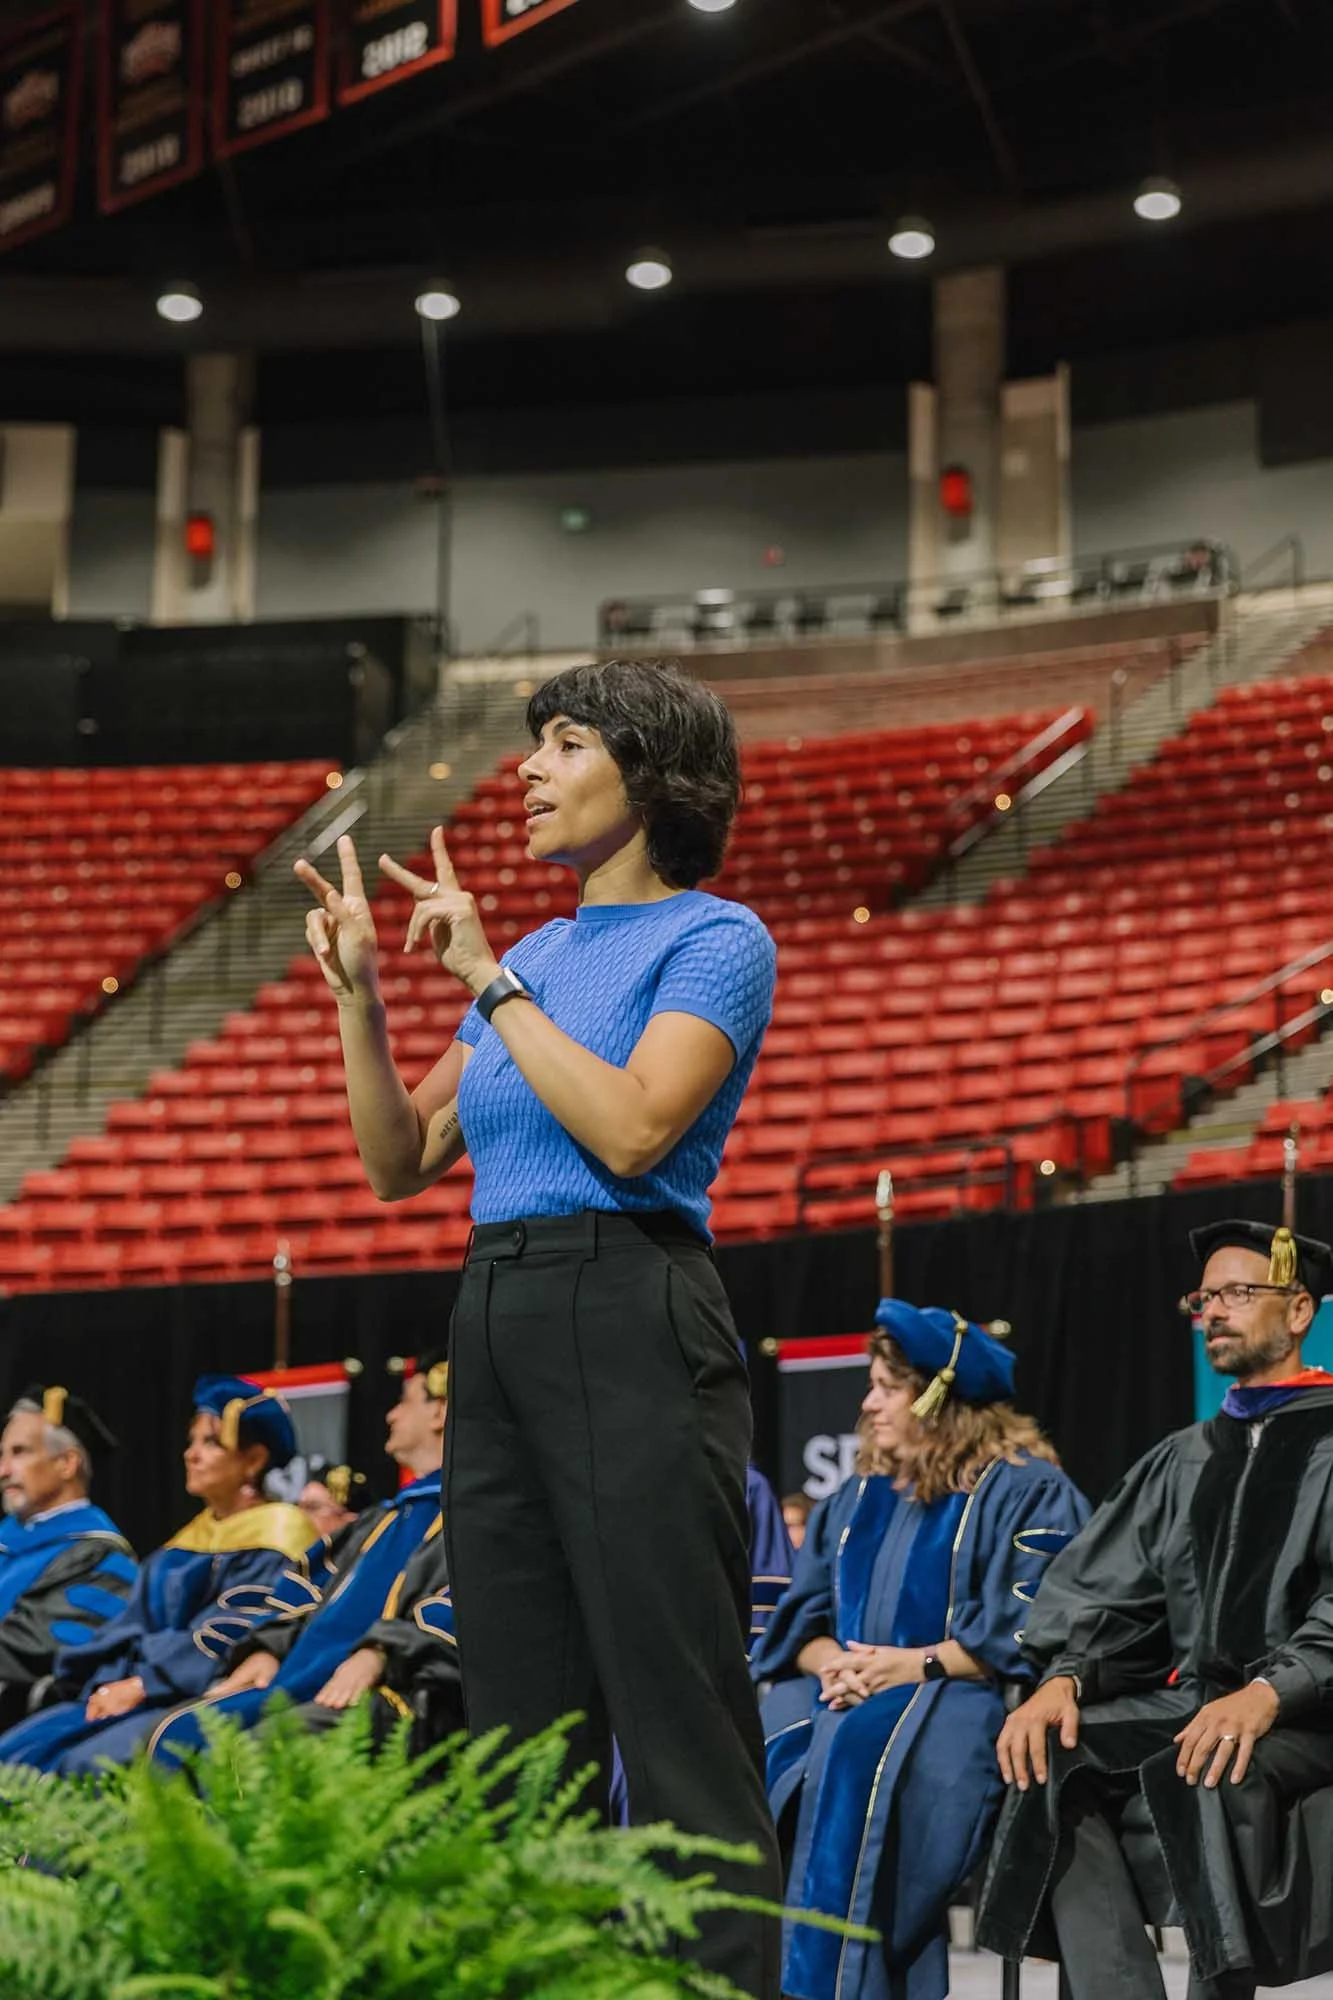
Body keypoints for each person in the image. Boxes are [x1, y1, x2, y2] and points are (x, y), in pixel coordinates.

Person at [294, 656, 782, 1998]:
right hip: (494, 1308)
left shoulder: (715, 938)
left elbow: (634, 1128)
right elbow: (401, 1161)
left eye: (566, 743)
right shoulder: (535, 953)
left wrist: (492, 982)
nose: (529, 768)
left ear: (651, 771)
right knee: (520, 1725)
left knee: (677, 1717)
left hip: (630, 1299)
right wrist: (361, 995)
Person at [977, 1219, 1333, 2000]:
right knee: (1052, 1761)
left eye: (1237, 1292)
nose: (1212, 1311)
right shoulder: (1184, 1456)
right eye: (1202, 1298)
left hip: (1312, 1711)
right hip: (1199, 1697)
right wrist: (1064, 1678)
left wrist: (1271, 1691)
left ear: (1299, 1310)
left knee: (1200, 1762)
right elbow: (1111, 1592)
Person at [751, 1299, 1089, 2000]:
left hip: (962, 1693)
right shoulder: (858, 1497)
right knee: (757, 1747)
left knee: (868, 1756)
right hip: (844, 1688)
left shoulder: (1025, 1489)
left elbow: (1038, 1628)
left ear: (939, 1397)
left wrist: (910, 1665)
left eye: (886, 1386)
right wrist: (837, 1666)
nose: (868, 1403)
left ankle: (846, 1984)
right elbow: (798, 1625)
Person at [144, 1353, 447, 1764]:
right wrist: (267, 1648)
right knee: (175, 1734)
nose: (391, 1415)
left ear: (441, 1411)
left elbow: (459, 1611)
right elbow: (302, 1592)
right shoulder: (381, 1520)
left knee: (253, 1752)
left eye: (406, 1401)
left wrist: (381, 1651)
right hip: (298, 1679)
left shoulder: (471, 1517)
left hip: (391, 1692)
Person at [0, 1376, 309, 1777]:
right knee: (15, 1754)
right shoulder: (185, 1544)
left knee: (86, 1766)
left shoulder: (281, 1538)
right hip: (133, 1690)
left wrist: (143, 1682)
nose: (191, 1454)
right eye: (191, 1441)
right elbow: (130, 1626)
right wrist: (109, 1681)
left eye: (210, 1443)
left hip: (200, 1694)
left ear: (253, 1460)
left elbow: (234, 1631)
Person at [0, 1387, 137, 1731]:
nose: (3, 1470)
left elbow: (36, 1651)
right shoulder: (9, 1541)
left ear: (66, 1463)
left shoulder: (99, 1556)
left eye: (19, 1452)